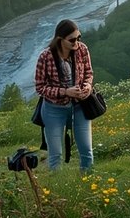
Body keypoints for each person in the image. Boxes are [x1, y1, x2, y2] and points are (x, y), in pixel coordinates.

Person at [33, 18, 95, 171]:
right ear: (60, 39)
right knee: (55, 155)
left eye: (79, 37)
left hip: (80, 106)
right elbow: (40, 87)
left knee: (87, 151)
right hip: (53, 109)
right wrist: (65, 92)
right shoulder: (45, 57)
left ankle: (89, 184)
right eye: (72, 39)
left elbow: (88, 73)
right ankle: (56, 189)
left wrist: (87, 87)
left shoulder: (82, 49)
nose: (77, 42)